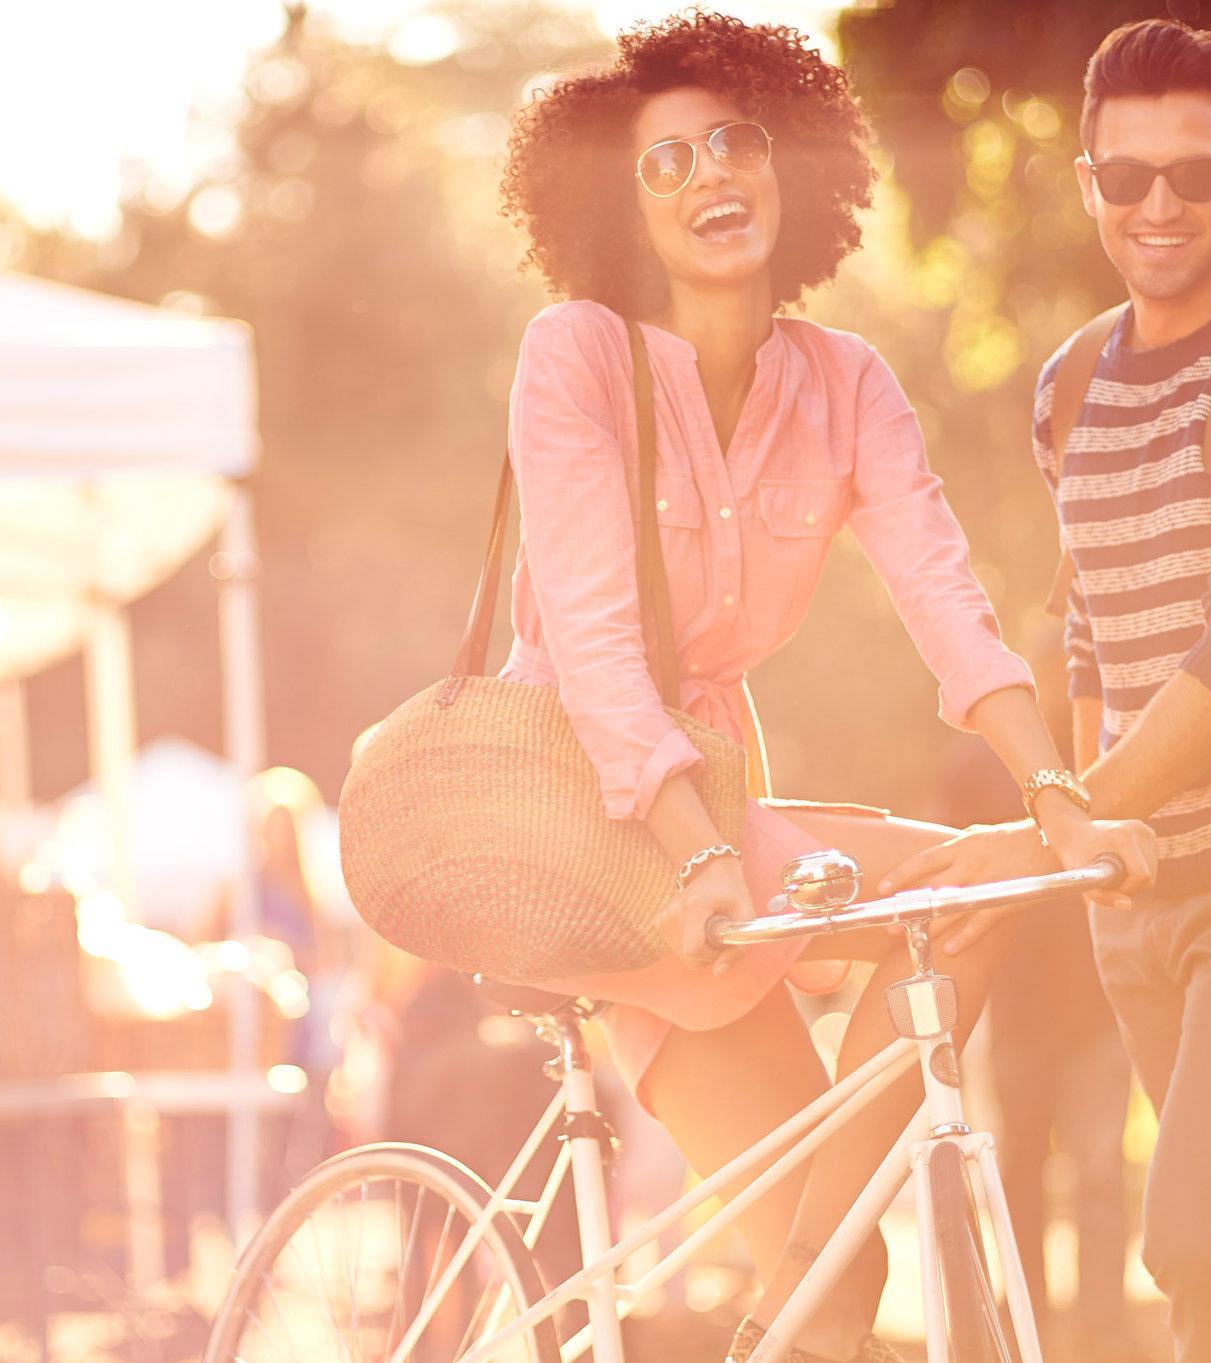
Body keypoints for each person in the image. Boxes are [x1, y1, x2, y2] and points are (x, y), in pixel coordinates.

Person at [493, 15, 1158, 1361]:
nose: (706, 174)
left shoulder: (846, 383)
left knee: (837, 1283)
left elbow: (951, 606)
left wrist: (1062, 796)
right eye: (663, 162)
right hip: (587, 819)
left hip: (725, 816)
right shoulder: (578, 356)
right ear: (618, 210)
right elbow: (598, 644)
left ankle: (781, 1312)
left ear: (788, 159)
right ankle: (782, 1315)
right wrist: (690, 854)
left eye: (731, 140)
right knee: (828, 1306)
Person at [896, 20, 1211, 1363]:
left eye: (1194, 174)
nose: (1160, 206)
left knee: (1196, 1236)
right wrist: (1091, 852)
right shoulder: (1071, 385)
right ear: (1089, 184)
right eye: (1128, 179)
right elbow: (1087, 637)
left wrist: (1063, 816)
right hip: (1147, 893)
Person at [930, 625, 1134, 1361]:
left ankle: (1104, 1325)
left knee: (1100, 1172)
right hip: (1015, 1009)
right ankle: (1031, 1328)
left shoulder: (1107, 758)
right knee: (1017, 1171)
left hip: (1100, 1003)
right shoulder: (969, 771)